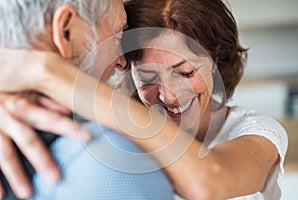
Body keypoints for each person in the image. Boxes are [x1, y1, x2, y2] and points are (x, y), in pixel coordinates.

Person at [0, 0, 288, 200]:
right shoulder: (114, 129)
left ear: (217, 62)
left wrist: (45, 71)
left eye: (185, 72)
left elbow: (210, 180)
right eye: (148, 77)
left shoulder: (257, 131)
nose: (168, 95)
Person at [0, 0, 174, 199]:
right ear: (66, 32)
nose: (121, 61)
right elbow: (211, 179)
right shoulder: (111, 161)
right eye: (117, 37)